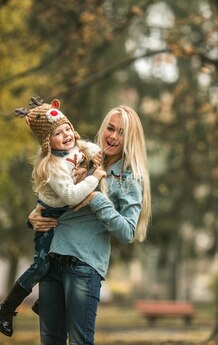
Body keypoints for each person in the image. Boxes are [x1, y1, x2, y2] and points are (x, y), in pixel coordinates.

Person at [28, 105, 152, 345]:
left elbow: (128, 231)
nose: (113, 137)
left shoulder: (128, 179)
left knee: (79, 342)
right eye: (111, 128)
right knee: (50, 341)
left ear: (131, 139)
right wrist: (33, 216)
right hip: (52, 261)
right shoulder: (80, 158)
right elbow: (57, 195)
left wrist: (97, 199)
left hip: (84, 267)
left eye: (122, 132)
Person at [0, 97, 106, 337]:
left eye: (67, 129)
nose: (66, 135)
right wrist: (94, 178)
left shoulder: (79, 148)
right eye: (58, 133)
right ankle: (5, 309)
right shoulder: (52, 166)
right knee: (42, 265)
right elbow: (72, 196)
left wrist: (98, 158)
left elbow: (98, 151)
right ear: (47, 142)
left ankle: (43, 304)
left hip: (63, 218)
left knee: (56, 260)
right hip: (50, 216)